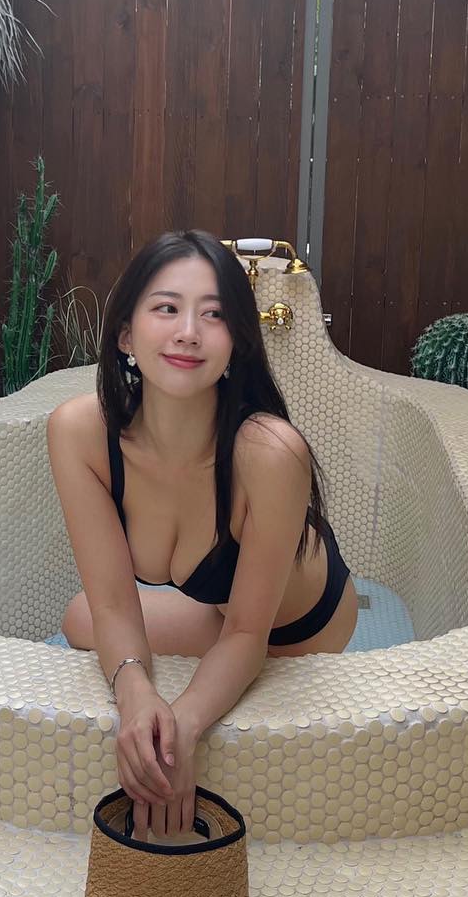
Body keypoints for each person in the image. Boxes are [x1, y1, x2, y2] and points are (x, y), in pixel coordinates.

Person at [46, 229, 357, 843]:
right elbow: (113, 606)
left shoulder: (269, 453)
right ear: (126, 333)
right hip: (221, 611)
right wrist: (136, 695)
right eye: (167, 308)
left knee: (200, 649)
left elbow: (245, 634)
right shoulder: (81, 434)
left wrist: (183, 726)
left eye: (213, 314)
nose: (188, 331)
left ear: (236, 340)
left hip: (298, 630)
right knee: (82, 618)